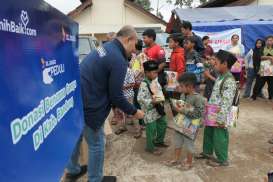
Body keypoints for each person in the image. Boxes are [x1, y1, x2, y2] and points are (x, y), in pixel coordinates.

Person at [64, 25, 144, 182]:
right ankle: (95, 179)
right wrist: (135, 112)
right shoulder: (118, 60)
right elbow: (116, 97)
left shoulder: (106, 47)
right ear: (128, 40)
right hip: (90, 103)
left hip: (77, 97)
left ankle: (73, 170)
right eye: (135, 45)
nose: (134, 51)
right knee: (97, 143)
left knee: (78, 135)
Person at [196, 50, 237, 167]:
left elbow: (227, 102)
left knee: (220, 136)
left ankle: (222, 159)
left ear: (224, 64)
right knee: (209, 132)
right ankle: (207, 152)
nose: (214, 64)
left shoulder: (229, 80)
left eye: (217, 62)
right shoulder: (221, 76)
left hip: (221, 114)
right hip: (213, 110)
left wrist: (221, 119)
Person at [165, 73, 205, 170]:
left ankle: (189, 162)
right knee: (177, 141)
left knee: (189, 144)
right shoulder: (183, 94)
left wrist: (183, 110)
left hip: (191, 126)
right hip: (180, 123)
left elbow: (199, 113)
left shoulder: (198, 98)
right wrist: (177, 105)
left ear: (190, 86)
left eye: (181, 86)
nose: (179, 87)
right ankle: (176, 158)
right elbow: (181, 105)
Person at [137, 61, 168, 156]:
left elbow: (159, 90)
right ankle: (150, 147)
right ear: (146, 73)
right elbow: (140, 99)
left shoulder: (155, 80)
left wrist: (161, 98)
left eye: (156, 72)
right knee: (151, 129)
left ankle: (159, 141)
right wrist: (151, 101)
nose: (156, 74)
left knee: (163, 123)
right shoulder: (144, 84)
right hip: (149, 111)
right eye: (153, 72)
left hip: (158, 108)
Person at [114, 67, 136, 135]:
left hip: (128, 95)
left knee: (132, 112)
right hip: (119, 96)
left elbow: (132, 83)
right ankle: (122, 127)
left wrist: (123, 87)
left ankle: (138, 130)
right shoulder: (115, 70)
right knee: (120, 113)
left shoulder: (128, 70)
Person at [252, 36, 273, 100]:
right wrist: (270, 57)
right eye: (268, 40)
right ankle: (254, 96)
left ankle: (270, 97)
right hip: (262, 69)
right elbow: (259, 57)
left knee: (271, 84)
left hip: (272, 69)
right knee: (259, 83)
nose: (269, 42)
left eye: (271, 40)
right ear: (266, 41)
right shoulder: (261, 48)